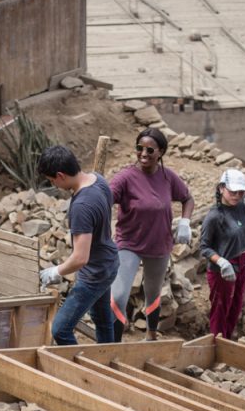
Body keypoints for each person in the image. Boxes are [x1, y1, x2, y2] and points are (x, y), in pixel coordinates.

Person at [110, 128, 194, 341]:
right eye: (139, 148)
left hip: (159, 244)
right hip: (129, 243)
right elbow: (104, 199)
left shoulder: (168, 177)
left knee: (153, 293)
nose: (143, 154)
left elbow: (187, 198)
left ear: (161, 152)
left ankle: (151, 335)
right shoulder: (125, 178)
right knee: (118, 295)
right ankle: (114, 343)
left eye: (149, 149)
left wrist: (185, 221)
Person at [38, 145, 119, 345]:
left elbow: (80, 258)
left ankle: (82, 370)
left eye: (52, 181)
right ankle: (108, 361)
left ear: (60, 175)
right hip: (108, 262)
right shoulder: (98, 180)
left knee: (60, 329)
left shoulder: (82, 206)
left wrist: (56, 271)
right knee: (102, 321)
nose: (54, 185)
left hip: (94, 274)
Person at [200, 169, 245, 340]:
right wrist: (221, 262)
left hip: (242, 262)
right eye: (233, 191)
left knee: (236, 305)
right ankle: (216, 343)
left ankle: (227, 340)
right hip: (223, 267)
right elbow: (204, 247)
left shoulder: (243, 207)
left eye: (240, 192)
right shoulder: (214, 216)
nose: (237, 195)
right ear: (221, 188)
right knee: (221, 307)